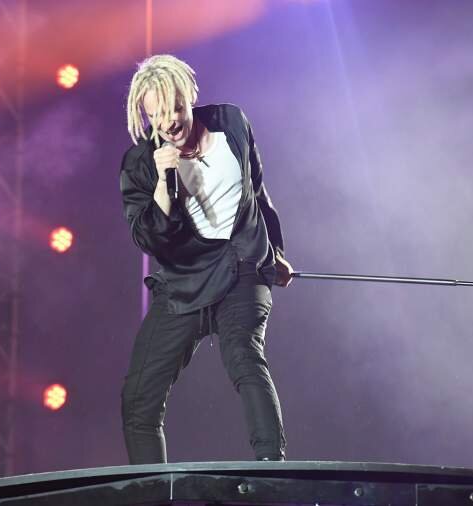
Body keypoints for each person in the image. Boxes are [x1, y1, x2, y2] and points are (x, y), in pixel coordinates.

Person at [118, 54, 293, 464]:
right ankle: (152, 487)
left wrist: (276, 253)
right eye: (156, 115)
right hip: (185, 283)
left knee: (243, 355)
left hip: (243, 268)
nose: (169, 122)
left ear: (190, 97)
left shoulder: (231, 123)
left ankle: (272, 468)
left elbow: (257, 192)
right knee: (139, 397)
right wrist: (163, 186)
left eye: (175, 109)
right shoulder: (141, 164)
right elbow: (148, 239)